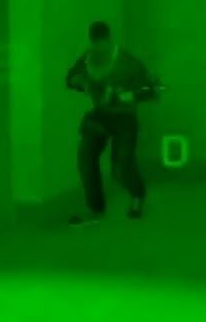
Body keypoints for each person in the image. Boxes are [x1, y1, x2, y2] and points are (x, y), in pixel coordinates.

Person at [65, 21, 159, 225]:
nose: (99, 51)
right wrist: (82, 82)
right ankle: (95, 208)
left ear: (109, 41)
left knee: (121, 168)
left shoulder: (129, 62)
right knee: (85, 159)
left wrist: (127, 96)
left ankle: (137, 195)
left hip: (125, 117)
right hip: (100, 116)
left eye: (103, 46)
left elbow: (151, 90)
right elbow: (71, 77)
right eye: (95, 46)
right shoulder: (87, 57)